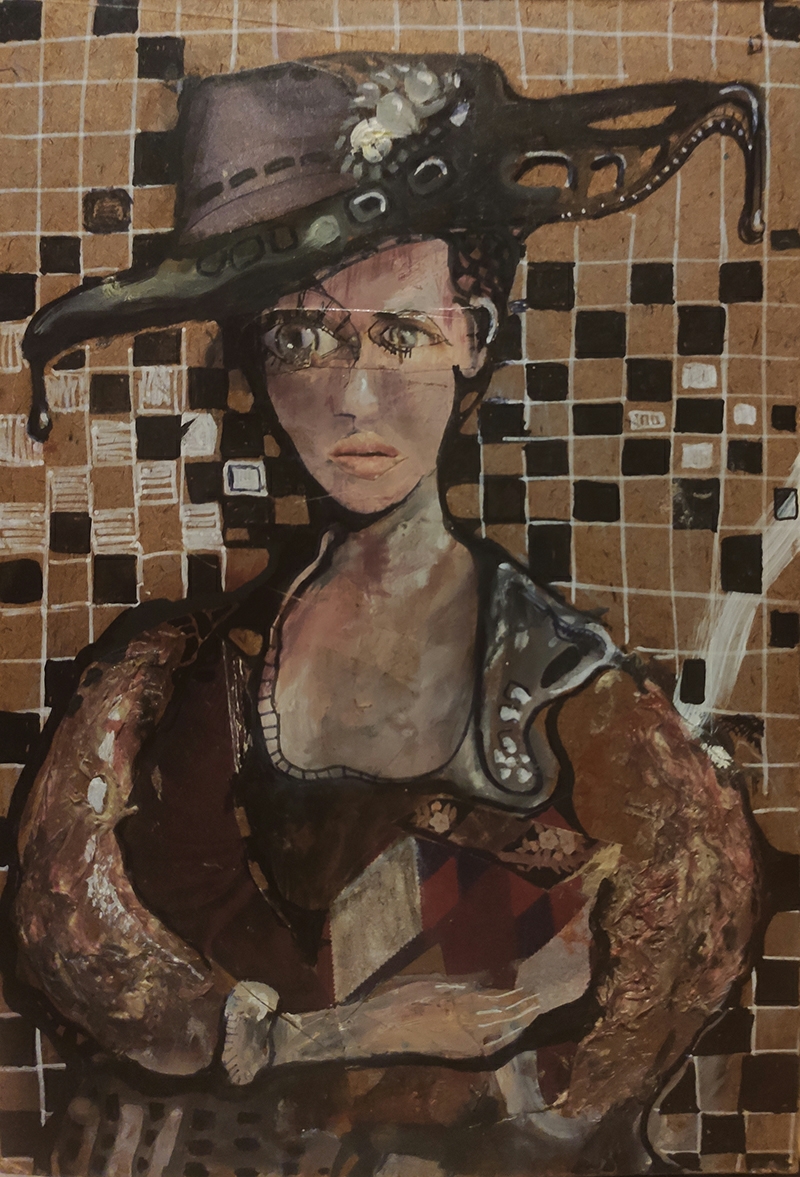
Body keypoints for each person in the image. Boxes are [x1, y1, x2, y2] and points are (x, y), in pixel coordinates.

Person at [7, 54, 764, 1176]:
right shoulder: (175, 676)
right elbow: (71, 933)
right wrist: (335, 1035)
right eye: (300, 338)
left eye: (398, 333)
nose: (351, 396)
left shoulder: (569, 695)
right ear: (253, 365)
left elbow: (673, 951)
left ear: (473, 335)